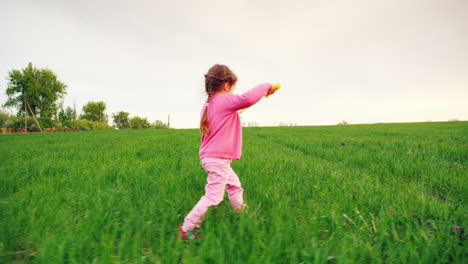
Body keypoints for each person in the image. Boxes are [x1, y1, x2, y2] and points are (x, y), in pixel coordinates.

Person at [179, 64, 278, 240]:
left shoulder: (209, 104)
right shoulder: (224, 100)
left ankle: (241, 212)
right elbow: (247, 99)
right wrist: (266, 86)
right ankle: (188, 227)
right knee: (214, 196)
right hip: (218, 159)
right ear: (226, 85)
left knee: (234, 185)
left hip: (213, 157)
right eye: (233, 88)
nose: (233, 92)